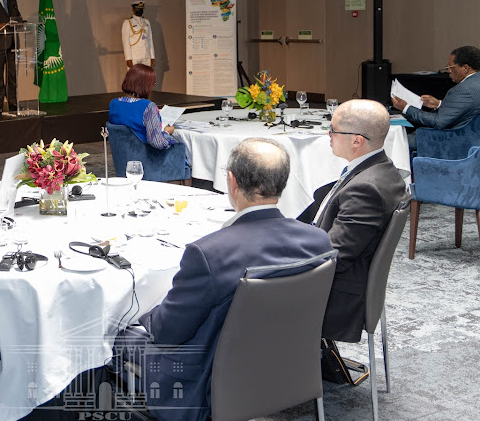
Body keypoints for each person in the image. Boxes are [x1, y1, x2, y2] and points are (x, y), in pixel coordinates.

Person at [113, 138, 332, 421]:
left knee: (113, 335)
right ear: (283, 181)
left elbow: (167, 333)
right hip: (285, 367)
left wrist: (142, 315)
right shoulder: (318, 241)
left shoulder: (208, 254)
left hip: (208, 381)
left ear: (231, 181)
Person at [316, 99, 408, 342]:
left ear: (356, 140)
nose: (329, 134)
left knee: (237, 291)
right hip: (348, 277)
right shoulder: (383, 169)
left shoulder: (365, 189)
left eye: (333, 130)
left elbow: (333, 256)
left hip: (336, 297)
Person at [391, 45, 480, 130]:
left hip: (450, 139)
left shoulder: (463, 89)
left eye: (451, 67)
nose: (448, 71)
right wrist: (439, 104)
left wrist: (406, 108)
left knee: (397, 140)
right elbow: (466, 108)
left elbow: (438, 122)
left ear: (465, 68)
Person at [109, 64, 175, 149]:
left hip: (121, 157)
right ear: (146, 85)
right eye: (153, 83)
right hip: (145, 157)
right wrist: (167, 133)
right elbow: (158, 143)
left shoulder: (114, 104)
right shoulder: (147, 107)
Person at [121, 1, 155, 68]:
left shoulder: (146, 22)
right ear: (133, 9)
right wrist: (128, 58)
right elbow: (126, 42)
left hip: (146, 55)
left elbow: (150, 40)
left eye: (141, 9)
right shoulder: (128, 22)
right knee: (134, 77)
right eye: (138, 9)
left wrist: (152, 56)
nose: (140, 11)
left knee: (146, 77)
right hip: (135, 56)